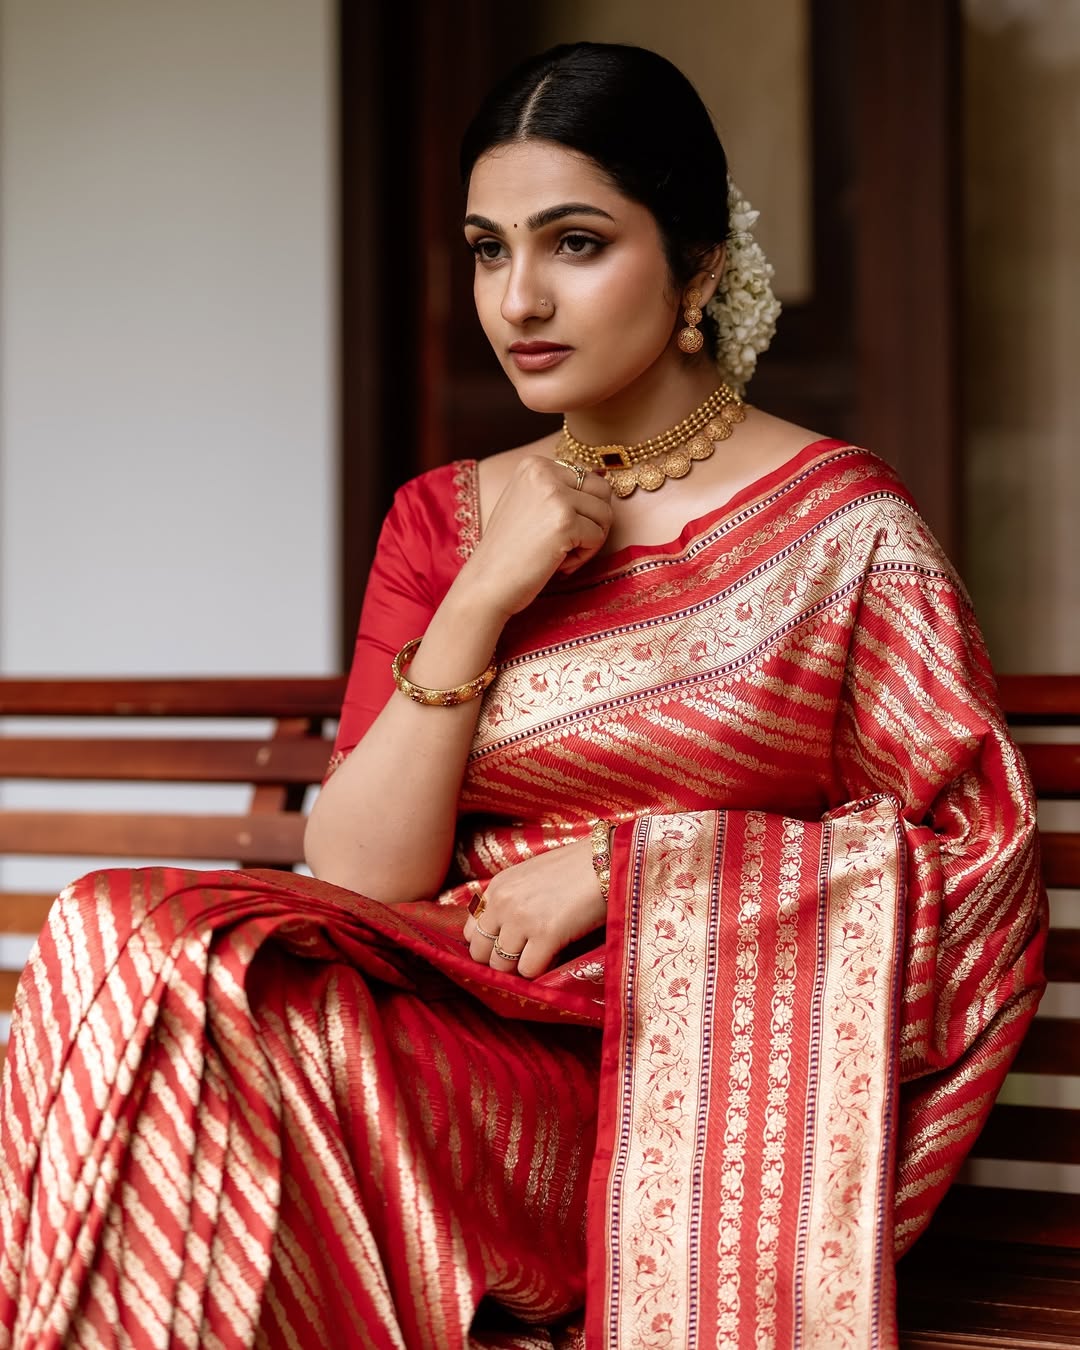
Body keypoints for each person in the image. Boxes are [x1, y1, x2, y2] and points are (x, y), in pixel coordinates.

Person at [0, 41, 1045, 1350]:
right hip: (430, 1014)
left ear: (701, 266)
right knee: (129, 937)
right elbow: (365, 875)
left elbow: (977, 860)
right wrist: (484, 590)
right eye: (489, 249)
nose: (520, 298)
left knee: (235, 1030)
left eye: (576, 243)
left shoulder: (844, 528)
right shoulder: (444, 517)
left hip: (653, 1089)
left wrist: (633, 874)